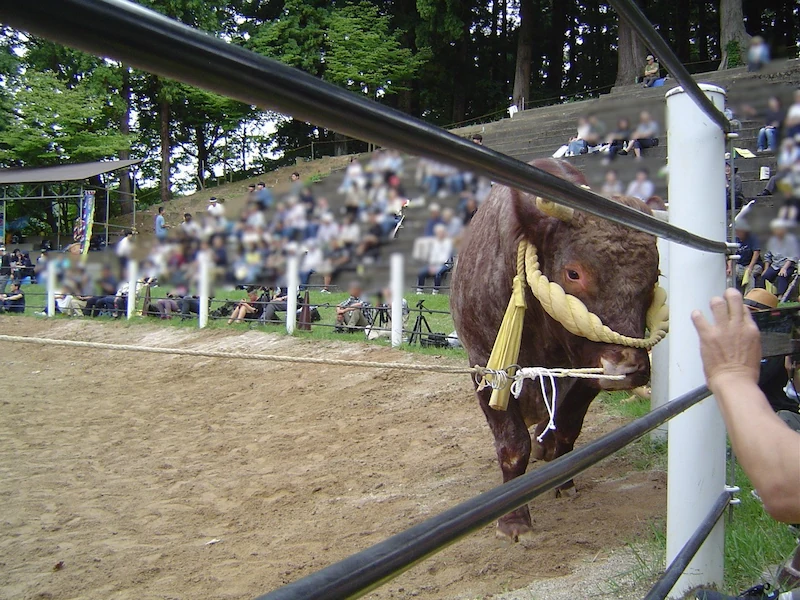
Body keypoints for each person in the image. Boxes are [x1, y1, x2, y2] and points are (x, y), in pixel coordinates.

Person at [690, 290, 800, 600]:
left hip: (771, 411)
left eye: (754, 310)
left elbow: (787, 486)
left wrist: (731, 375)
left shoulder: (770, 350)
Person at [760, 219, 800, 298]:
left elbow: (793, 256)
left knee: (782, 275)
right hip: (775, 265)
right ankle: (762, 295)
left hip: (788, 265)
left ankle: (780, 296)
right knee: (765, 276)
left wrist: (784, 268)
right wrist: (766, 269)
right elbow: (767, 256)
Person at [416, 224, 453, 295]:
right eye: (438, 233)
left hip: (444, 264)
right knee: (421, 272)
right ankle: (419, 290)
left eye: (441, 233)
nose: (439, 234)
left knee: (437, 273)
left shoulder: (447, 243)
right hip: (433, 264)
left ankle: (435, 292)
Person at [728, 220, 762, 293]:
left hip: (754, 265)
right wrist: (729, 267)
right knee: (731, 276)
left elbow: (756, 252)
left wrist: (750, 267)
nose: (736, 232)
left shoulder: (752, 238)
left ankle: (748, 298)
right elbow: (731, 254)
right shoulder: (735, 239)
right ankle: (729, 296)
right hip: (740, 265)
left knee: (749, 275)